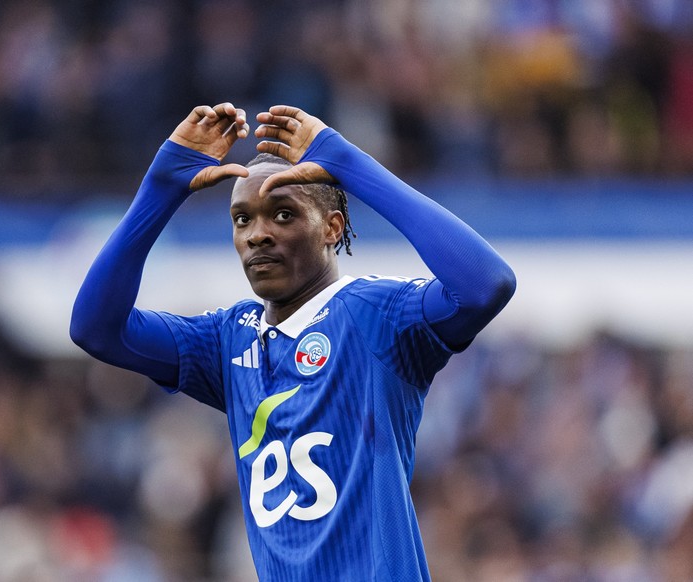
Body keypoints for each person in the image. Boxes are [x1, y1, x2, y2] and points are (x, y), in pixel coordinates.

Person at [70, 102, 516, 581]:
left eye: (282, 214)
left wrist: (347, 164)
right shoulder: (226, 339)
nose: (258, 235)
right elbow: (96, 328)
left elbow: (485, 284)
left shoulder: (373, 313)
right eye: (242, 220)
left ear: (332, 228)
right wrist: (161, 188)